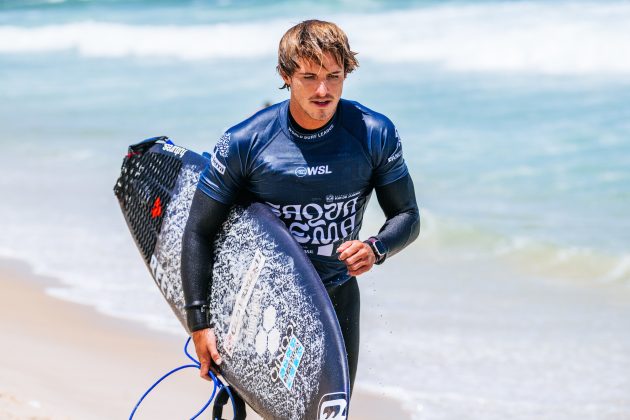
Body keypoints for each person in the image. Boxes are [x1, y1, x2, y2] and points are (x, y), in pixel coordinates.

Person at [181, 19, 420, 403]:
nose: (323, 90)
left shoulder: (374, 134)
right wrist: (199, 324)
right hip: (259, 304)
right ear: (285, 75)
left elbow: (407, 216)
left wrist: (375, 248)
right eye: (309, 76)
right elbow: (198, 231)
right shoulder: (245, 142)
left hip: (334, 302)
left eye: (334, 76)